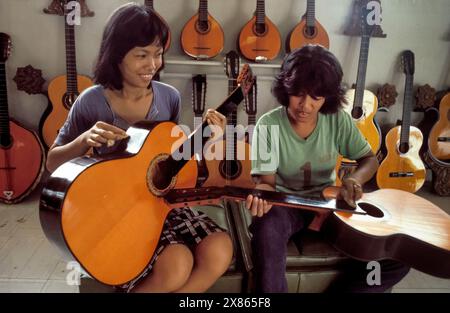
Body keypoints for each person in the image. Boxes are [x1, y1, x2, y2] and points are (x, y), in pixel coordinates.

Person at [46, 3, 232, 293]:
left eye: (157, 54)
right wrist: (84, 141)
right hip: (116, 210)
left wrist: (206, 137)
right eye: (141, 55)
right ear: (116, 55)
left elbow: (170, 161)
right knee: (176, 263)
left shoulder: (168, 98)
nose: (152, 65)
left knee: (220, 247)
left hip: (158, 204)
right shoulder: (91, 101)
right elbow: (52, 164)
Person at [245, 45, 410, 293]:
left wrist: (354, 180)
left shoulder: (338, 120)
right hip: (286, 207)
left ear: (328, 97)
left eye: (316, 97)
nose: (305, 105)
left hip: (330, 204)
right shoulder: (268, 125)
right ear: (285, 88)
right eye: (298, 94)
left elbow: (369, 159)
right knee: (265, 227)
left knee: (399, 253)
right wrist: (262, 196)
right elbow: (267, 183)